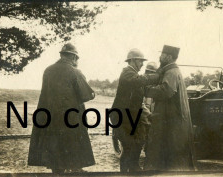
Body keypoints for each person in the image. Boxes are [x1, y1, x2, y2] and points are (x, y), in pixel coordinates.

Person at [28, 43, 95, 174]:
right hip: (71, 118)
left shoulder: (48, 70)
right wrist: (93, 93)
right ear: (74, 58)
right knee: (73, 143)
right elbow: (87, 95)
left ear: (62, 55)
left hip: (51, 118)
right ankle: (75, 168)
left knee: (55, 145)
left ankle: (57, 170)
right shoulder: (74, 71)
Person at [145, 45, 195, 171]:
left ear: (168, 56)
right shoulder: (170, 71)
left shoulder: (171, 72)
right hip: (172, 121)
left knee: (171, 159)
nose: (160, 56)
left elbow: (166, 91)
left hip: (173, 123)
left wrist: (146, 90)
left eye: (162, 54)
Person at [111, 48, 159, 172]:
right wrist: (157, 76)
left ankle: (132, 168)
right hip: (123, 118)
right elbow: (138, 81)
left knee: (134, 145)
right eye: (140, 61)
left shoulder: (134, 74)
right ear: (132, 61)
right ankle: (127, 171)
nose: (142, 64)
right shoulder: (127, 72)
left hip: (130, 117)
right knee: (128, 147)